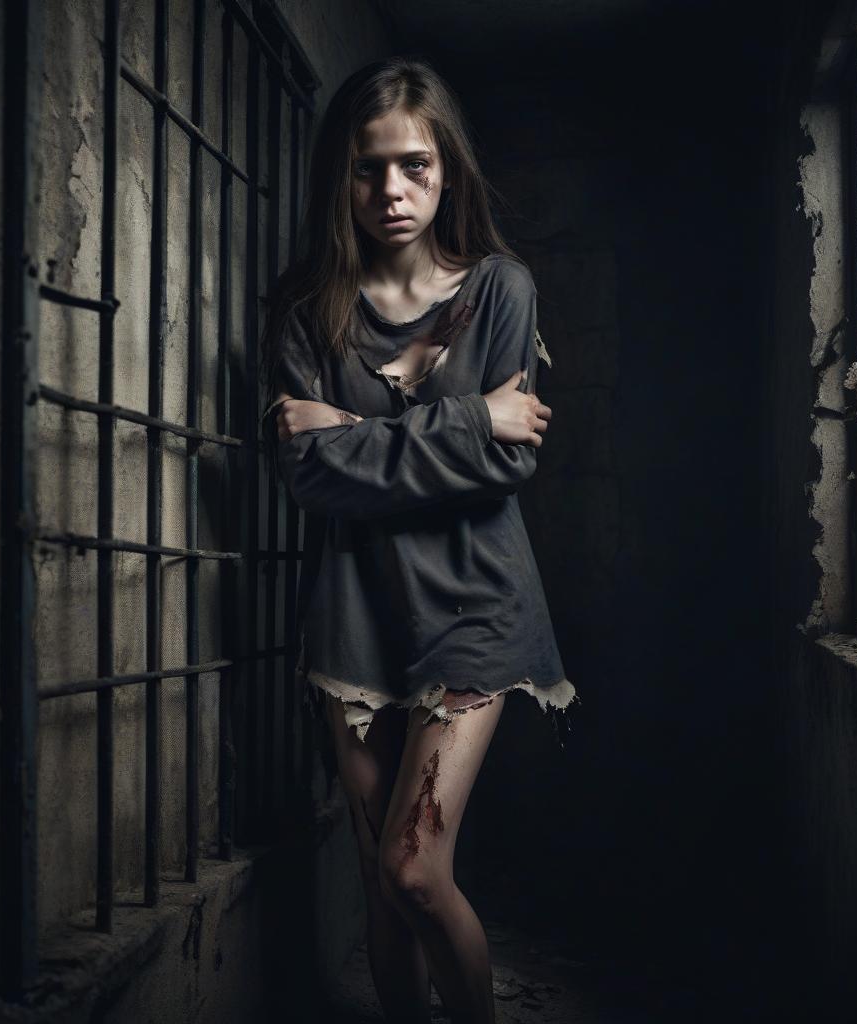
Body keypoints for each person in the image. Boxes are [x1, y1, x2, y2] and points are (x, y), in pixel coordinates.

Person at [259, 56, 578, 1024]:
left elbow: (510, 461)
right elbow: (306, 476)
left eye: (414, 166)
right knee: (375, 873)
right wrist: (468, 421)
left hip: (476, 602)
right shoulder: (306, 304)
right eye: (366, 168)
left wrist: (356, 437)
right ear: (338, 175)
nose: (391, 192)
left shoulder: (497, 290)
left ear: (448, 172)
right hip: (354, 609)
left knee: (412, 865)